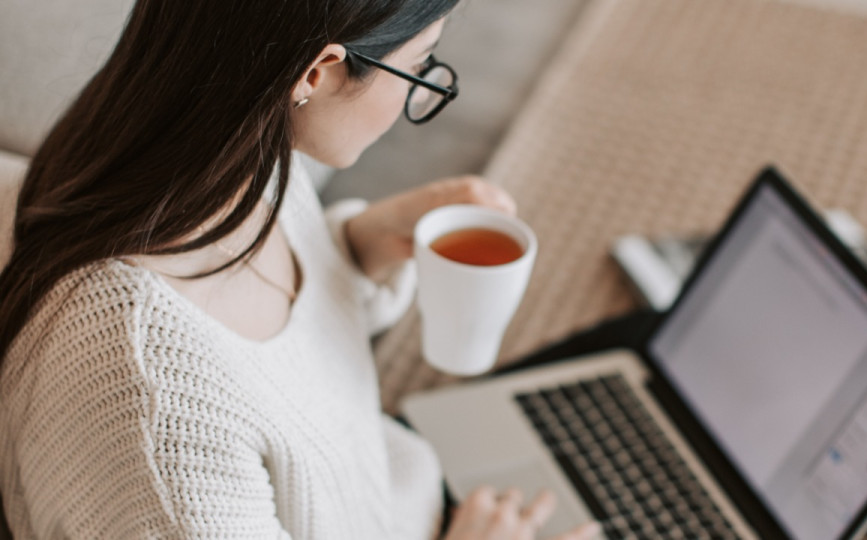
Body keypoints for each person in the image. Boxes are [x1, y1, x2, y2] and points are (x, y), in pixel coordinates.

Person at [0, 1, 603, 538]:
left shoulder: (216, 153)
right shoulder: (157, 413)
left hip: (391, 483)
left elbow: (272, 356)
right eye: (418, 67)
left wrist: (361, 246)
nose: (418, 91)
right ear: (317, 72)